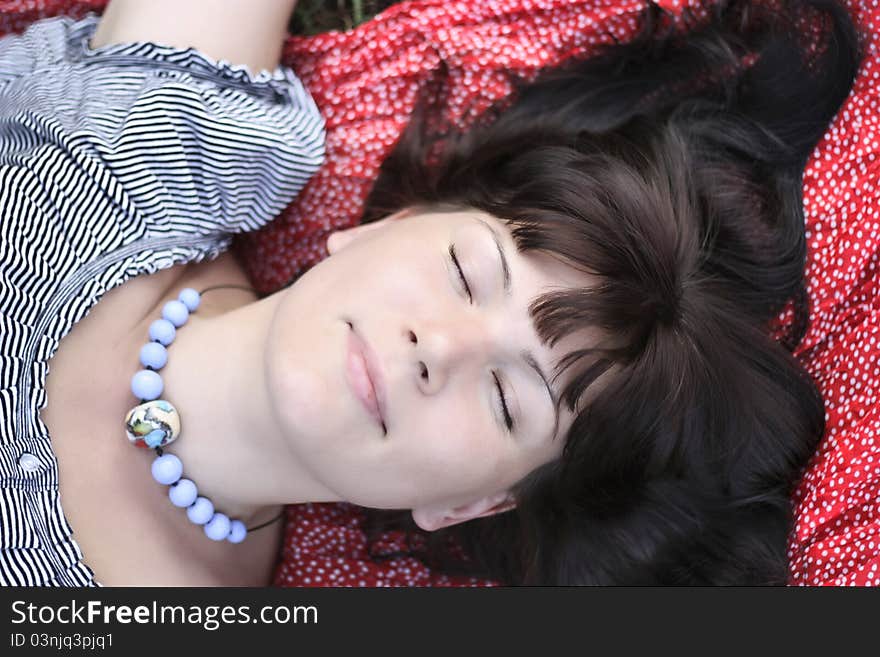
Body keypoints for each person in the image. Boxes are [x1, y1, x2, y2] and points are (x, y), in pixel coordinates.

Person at [0, 0, 863, 587]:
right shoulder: (161, 139)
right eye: (466, 273)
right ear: (385, 223)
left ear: (475, 504)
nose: (436, 347)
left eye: (506, 396)